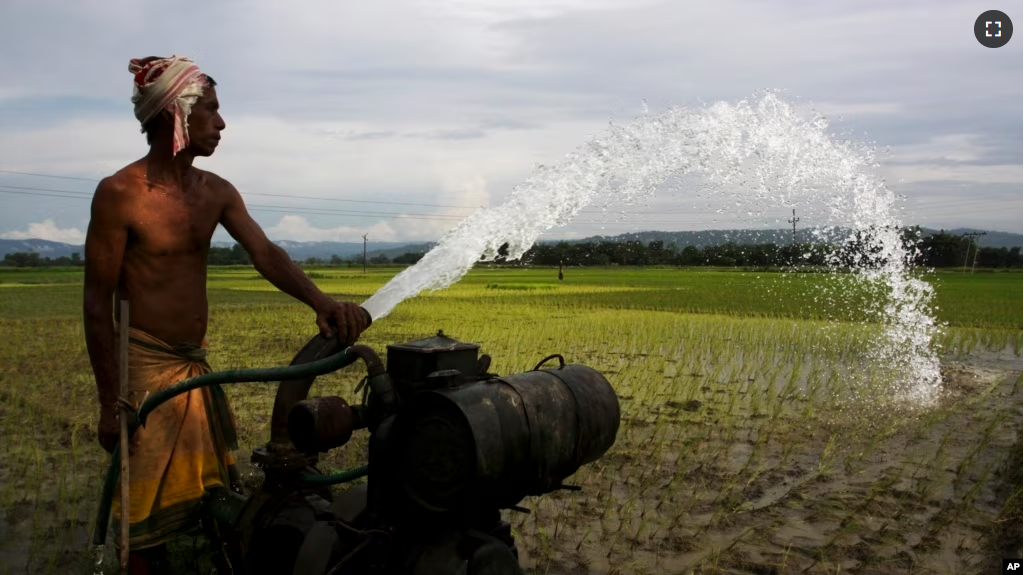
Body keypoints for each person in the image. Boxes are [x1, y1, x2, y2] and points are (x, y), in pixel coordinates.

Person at [82, 55, 371, 573]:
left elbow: (266, 254)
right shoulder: (120, 195)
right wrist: (110, 402)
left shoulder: (215, 191)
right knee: (144, 521)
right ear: (176, 115)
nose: (221, 122)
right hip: (145, 372)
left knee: (208, 493)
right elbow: (96, 304)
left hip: (193, 369)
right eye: (210, 111)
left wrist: (322, 303)